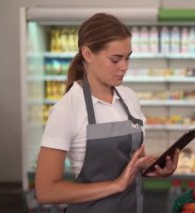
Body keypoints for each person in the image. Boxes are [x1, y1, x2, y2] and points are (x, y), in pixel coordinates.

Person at [35, 13, 179, 213]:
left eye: (128, 58)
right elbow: (46, 190)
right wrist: (115, 185)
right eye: (115, 59)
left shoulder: (129, 98)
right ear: (87, 53)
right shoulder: (66, 110)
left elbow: (134, 163)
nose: (124, 67)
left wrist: (156, 168)